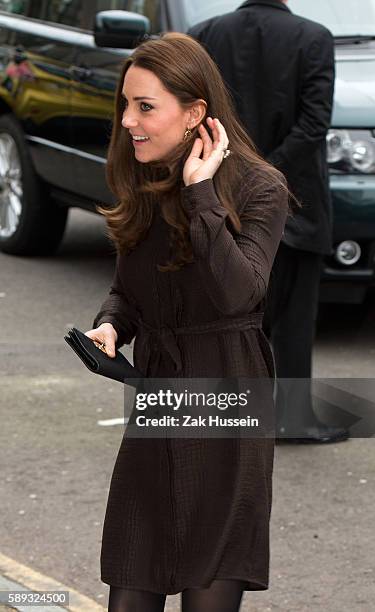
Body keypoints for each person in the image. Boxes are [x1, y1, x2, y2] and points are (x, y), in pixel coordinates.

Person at [85, 33, 288, 612]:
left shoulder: (258, 187)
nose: (128, 120)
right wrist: (111, 327)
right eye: (126, 104)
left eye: (145, 107)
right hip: (160, 399)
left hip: (227, 397)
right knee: (129, 591)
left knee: (207, 599)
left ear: (195, 112)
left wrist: (201, 194)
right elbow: (129, 290)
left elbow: (238, 294)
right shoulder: (146, 175)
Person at [189, 0, 349, 444]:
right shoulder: (314, 37)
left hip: (225, 193)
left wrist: (238, 172)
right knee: (295, 317)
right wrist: (270, 172)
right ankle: (293, 418)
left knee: (232, 312)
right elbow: (314, 123)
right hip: (298, 200)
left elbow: (198, 116)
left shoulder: (206, 33)